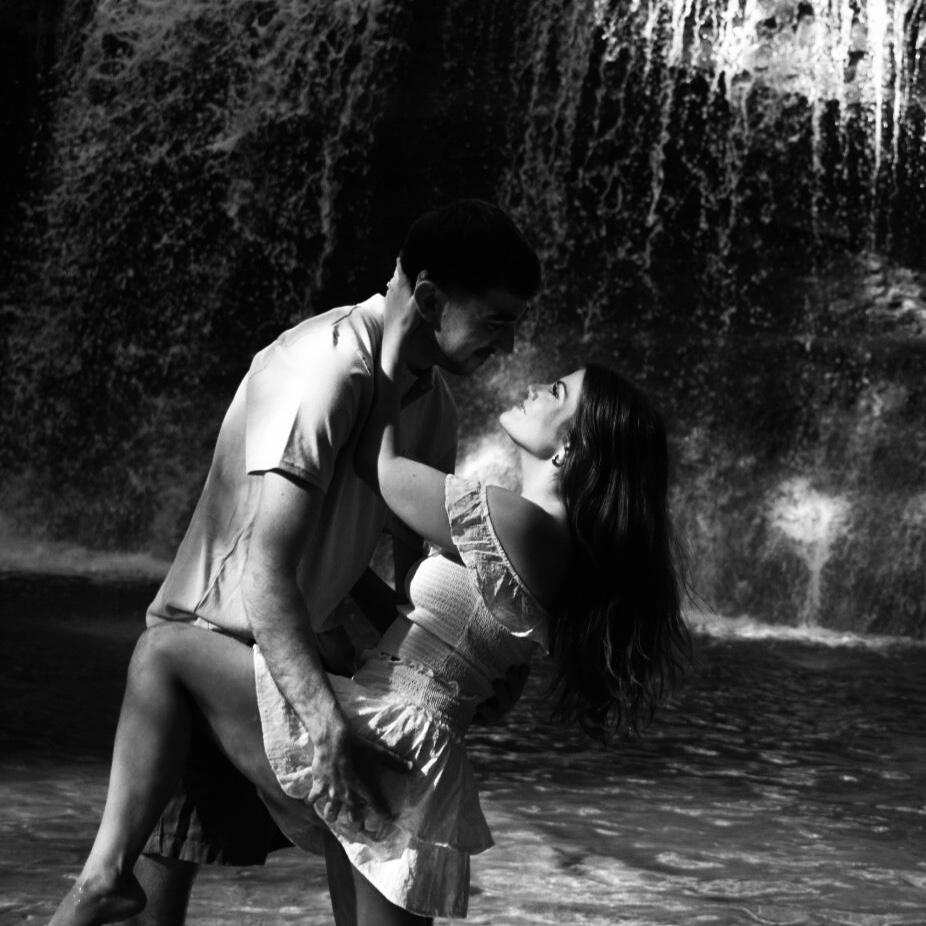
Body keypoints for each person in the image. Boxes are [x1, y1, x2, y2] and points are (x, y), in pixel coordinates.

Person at [48, 262, 691, 925]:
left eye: (555, 391)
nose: (532, 385)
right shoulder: (545, 544)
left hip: (391, 731)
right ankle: (108, 878)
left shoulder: (517, 521)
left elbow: (378, 468)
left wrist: (392, 346)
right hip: (402, 736)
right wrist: (336, 565)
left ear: (571, 450)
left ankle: (105, 874)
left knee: (163, 653)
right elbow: (421, 613)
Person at [94, 200, 542, 926]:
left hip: (305, 666)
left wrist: (475, 666)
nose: (512, 344)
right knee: (146, 907)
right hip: (213, 655)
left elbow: (412, 586)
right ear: (431, 298)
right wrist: (327, 727)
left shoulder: (434, 408)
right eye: (497, 320)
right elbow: (265, 571)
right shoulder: (326, 366)